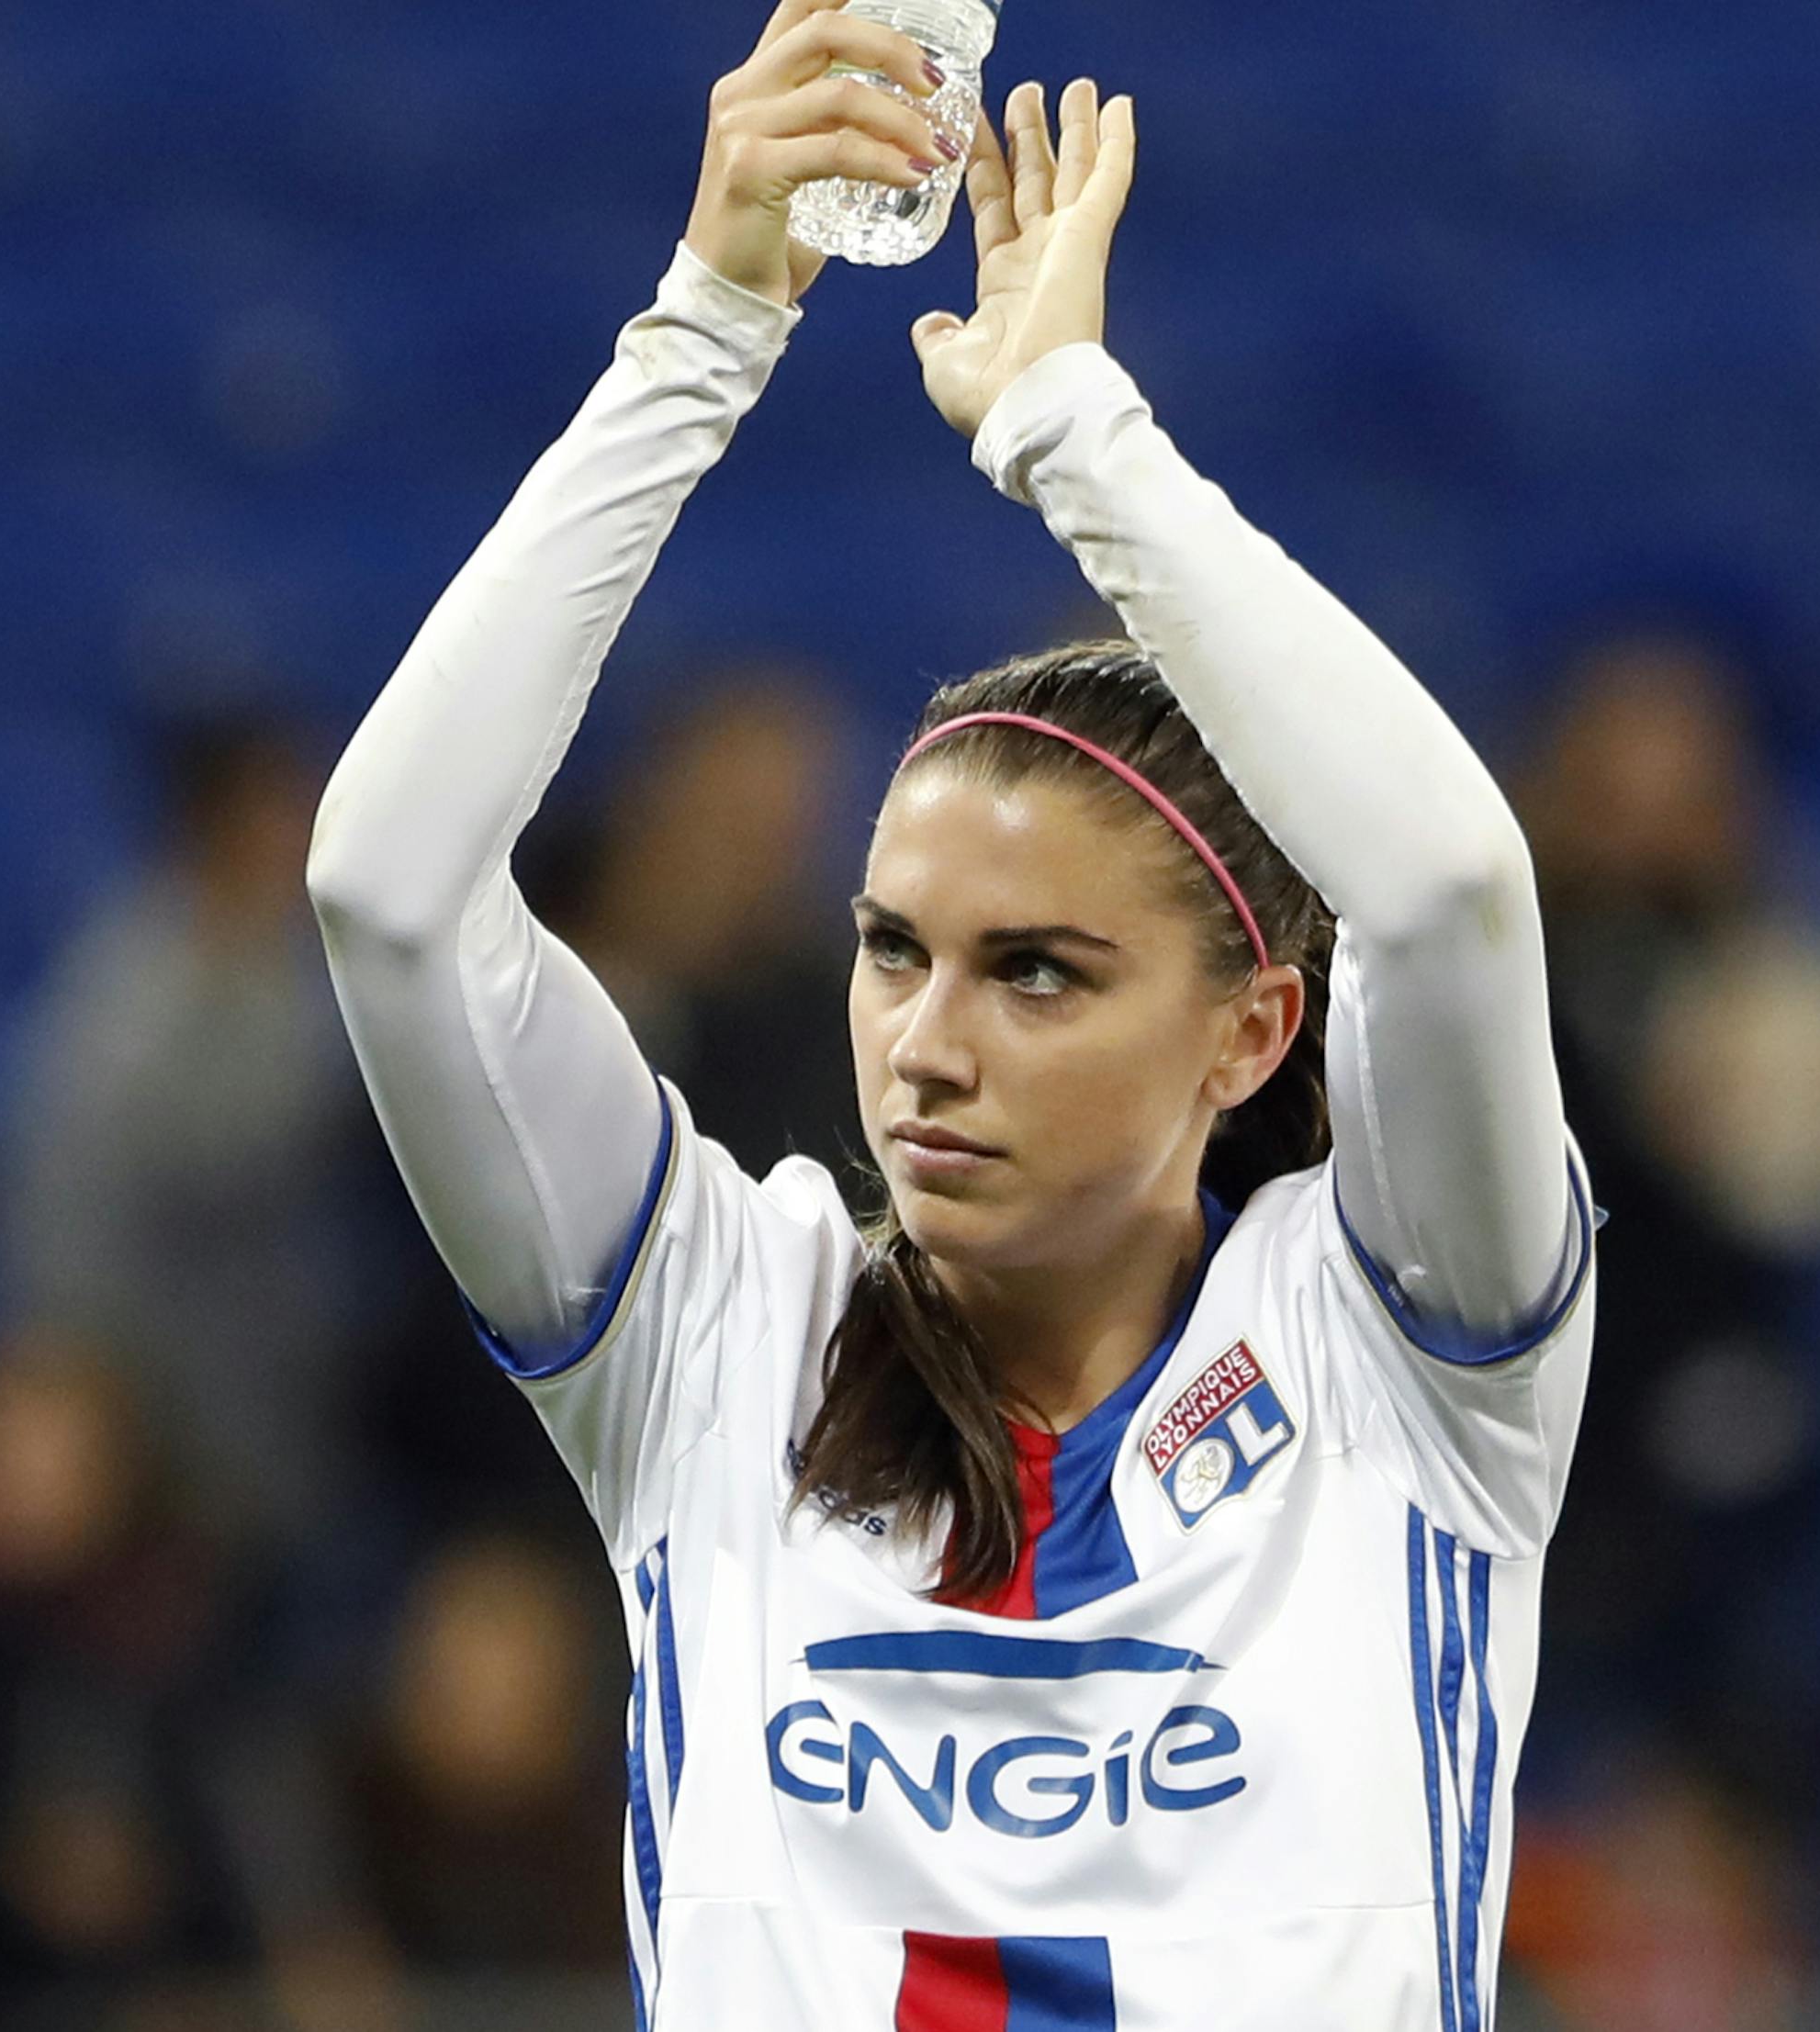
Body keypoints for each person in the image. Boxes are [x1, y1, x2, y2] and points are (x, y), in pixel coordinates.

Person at [306, 4, 1597, 2025]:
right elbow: (389, 894)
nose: (927, 1040)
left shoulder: (1400, 1359)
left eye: (1039, 970)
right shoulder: (720, 1340)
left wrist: (1079, 435)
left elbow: (1442, 894)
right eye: (893, 947)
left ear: (1254, 1031)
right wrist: (706, 322)